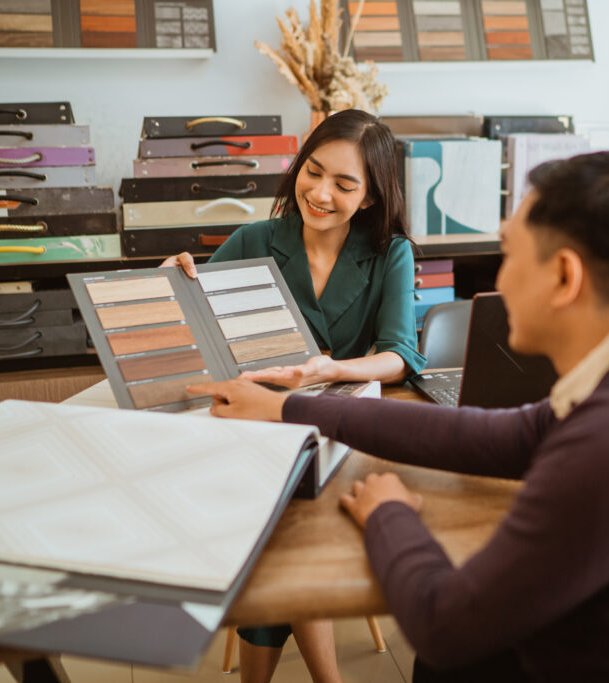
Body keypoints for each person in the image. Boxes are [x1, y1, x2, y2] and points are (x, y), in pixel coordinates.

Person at [188, 151, 609, 682]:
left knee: (444, 661)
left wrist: (391, 516)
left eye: (509, 253)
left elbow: (445, 625)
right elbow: (489, 435)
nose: (497, 279)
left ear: (564, 276)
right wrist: (291, 407)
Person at [163, 109, 426, 683]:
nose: (321, 192)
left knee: (277, 521)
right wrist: (170, 282)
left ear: (373, 197)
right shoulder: (254, 240)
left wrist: (331, 368)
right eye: (313, 172)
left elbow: (399, 355)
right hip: (261, 432)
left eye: (344, 183)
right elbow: (193, 334)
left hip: (345, 433)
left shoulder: (391, 253)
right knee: (276, 510)